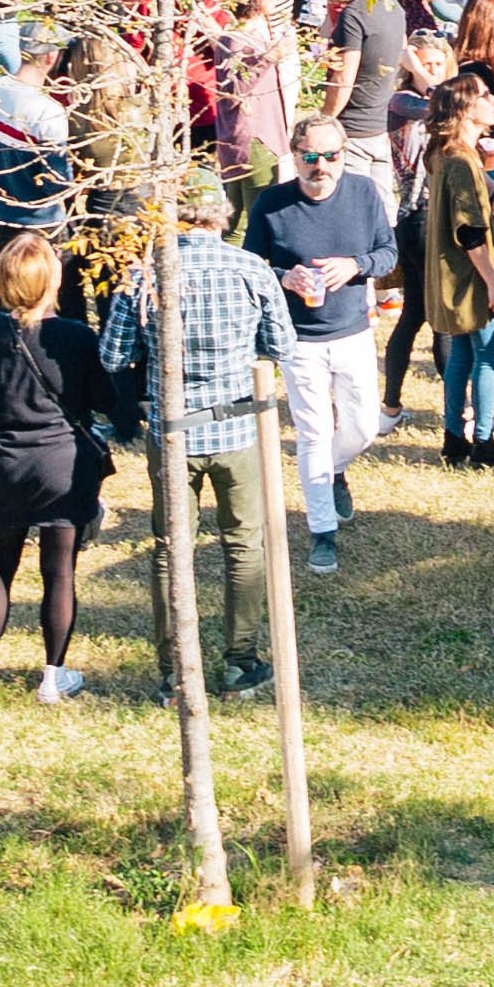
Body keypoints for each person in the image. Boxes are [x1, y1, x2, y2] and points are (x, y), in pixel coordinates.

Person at [95, 192, 294, 699]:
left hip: (173, 430)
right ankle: (240, 661)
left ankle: (174, 671)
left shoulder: (145, 274)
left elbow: (114, 356)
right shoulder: (251, 267)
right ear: (224, 216)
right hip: (237, 428)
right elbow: (283, 347)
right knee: (243, 545)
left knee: (170, 550)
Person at [245, 115, 397, 566]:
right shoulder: (271, 204)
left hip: (352, 330)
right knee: (312, 433)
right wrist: (283, 277)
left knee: (364, 427)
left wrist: (356, 265)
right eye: (311, 157)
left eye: (331, 156)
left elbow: (388, 252)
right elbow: (251, 267)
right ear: (295, 157)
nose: (321, 166)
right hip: (299, 340)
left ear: (343, 154)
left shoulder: (363, 192)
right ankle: (322, 531)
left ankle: (334, 471)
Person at [0, 226, 103, 702]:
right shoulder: (75, 336)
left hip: (4, 461)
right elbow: (101, 397)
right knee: (59, 570)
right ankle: (52, 675)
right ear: (51, 280)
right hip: (62, 462)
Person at [413, 71, 494, 468]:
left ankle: (454, 436)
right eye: (486, 96)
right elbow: (470, 232)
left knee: (460, 357)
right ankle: (484, 441)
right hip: (469, 276)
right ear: (467, 109)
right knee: (486, 356)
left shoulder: (442, 154)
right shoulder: (461, 163)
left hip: (447, 275)